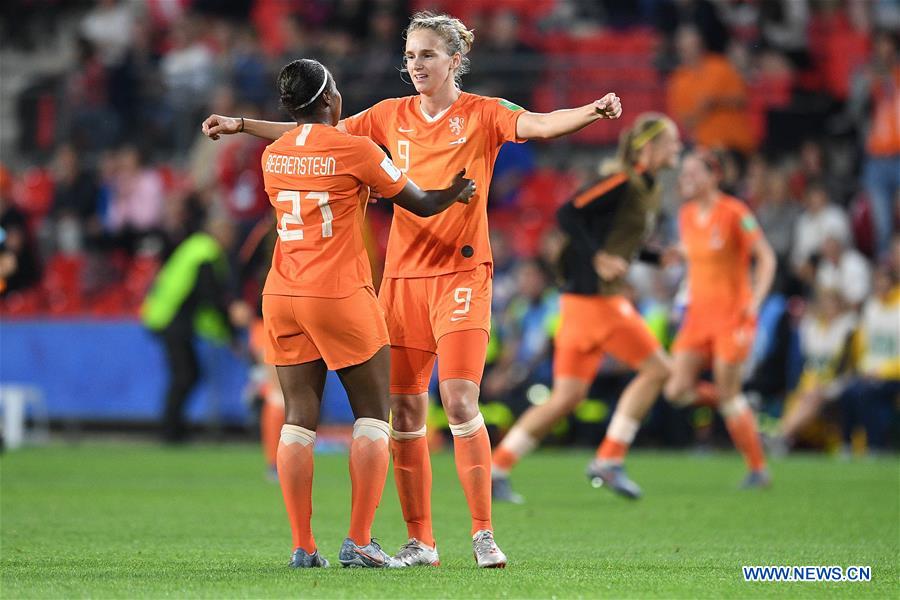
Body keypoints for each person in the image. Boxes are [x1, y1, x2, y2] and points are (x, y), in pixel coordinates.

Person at [202, 11, 622, 568]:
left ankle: (482, 534)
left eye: (426, 55)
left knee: (459, 399)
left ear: (455, 59)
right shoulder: (385, 117)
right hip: (401, 279)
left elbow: (542, 124)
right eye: (409, 56)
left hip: (462, 275)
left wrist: (592, 112)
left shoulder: (485, 113)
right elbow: (312, 136)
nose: (415, 65)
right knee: (401, 412)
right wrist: (242, 124)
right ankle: (421, 542)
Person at [254, 58, 474, 569]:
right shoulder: (357, 150)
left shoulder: (273, 154)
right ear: (332, 99)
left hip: (282, 294)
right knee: (374, 416)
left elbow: (310, 158)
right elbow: (420, 202)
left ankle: (303, 546)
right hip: (340, 295)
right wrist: (456, 191)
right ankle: (358, 540)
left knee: (298, 421)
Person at [490, 114, 682, 503]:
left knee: (566, 398)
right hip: (598, 303)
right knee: (660, 369)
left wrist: (651, 257)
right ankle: (609, 460)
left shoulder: (648, 186)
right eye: (672, 142)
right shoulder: (622, 180)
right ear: (648, 147)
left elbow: (612, 238)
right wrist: (597, 258)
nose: (677, 148)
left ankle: (497, 468)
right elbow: (568, 214)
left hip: (578, 305)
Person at [664, 150, 777, 488]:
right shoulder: (685, 215)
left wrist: (755, 301)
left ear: (714, 176)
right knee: (676, 389)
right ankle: (743, 405)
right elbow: (699, 252)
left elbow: (766, 257)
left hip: (732, 316)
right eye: (684, 172)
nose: (685, 178)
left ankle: (758, 469)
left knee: (728, 392)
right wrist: (675, 255)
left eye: (693, 172)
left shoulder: (735, 212)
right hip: (698, 316)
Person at [140, 213, 250, 443]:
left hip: (165, 316)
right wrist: (231, 333)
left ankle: (174, 429)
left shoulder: (196, 247)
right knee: (185, 375)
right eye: (232, 235)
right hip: (171, 319)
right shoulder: (206, 253)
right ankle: (171, 432)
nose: (234, 241)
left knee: (186, 375)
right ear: (222, 233)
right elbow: (210, 296)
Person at [768, 288, 856, 455]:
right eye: (825, 303)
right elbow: (807, 363)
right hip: (813, 382)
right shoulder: (813, 327)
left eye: (832, 303)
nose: (827, 307)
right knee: (801, 395)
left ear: (839, 305)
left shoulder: (847, 328)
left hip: (840, 382)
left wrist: (823, 385)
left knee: (813, 396)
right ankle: (784, 438)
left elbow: (843, 367)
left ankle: (781, 436)